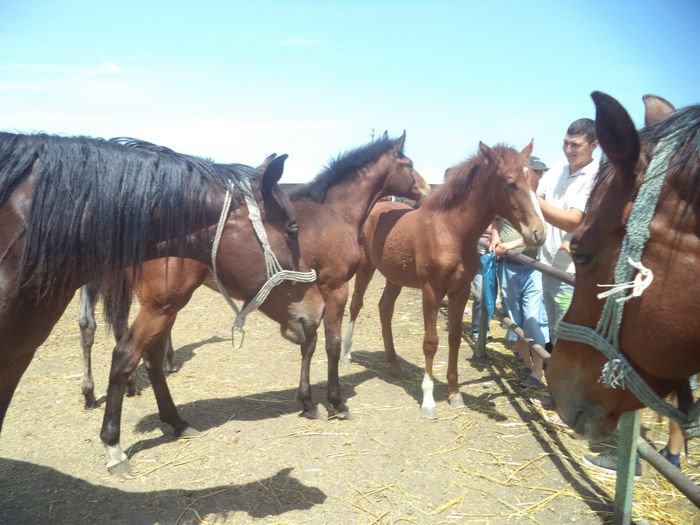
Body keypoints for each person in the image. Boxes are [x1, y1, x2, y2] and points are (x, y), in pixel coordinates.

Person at [490, 156, 549, 388]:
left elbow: (539, 235)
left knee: (534, 318)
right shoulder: (509, 197)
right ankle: (526, 365)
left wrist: (510, 246)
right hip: (508, 267)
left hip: (531, 266)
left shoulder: (538, 202)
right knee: (515, 318)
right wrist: (495, 237)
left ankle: (538, 371)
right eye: (536, 172)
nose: (538, 176)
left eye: (539, 172)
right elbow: (495, 221)